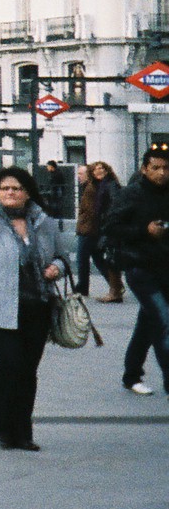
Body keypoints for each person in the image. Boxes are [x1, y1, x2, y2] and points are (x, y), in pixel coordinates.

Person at [0, 166, 71, 451]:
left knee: (28, 370)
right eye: (5, 188)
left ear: (27, 193)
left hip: (38, 306)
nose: (10, 193)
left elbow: (62, 257)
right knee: (10, 363)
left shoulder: (43, 222)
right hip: (1, 308)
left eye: (16, 188)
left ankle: (22, 430)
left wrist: (55, 269)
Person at [103, 148, 169, 400]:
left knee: (148, 323)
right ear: (144, 169)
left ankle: (132, 376)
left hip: (165, 267)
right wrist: (144, 230)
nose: (162, 172)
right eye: (156, 167)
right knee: (164, 320)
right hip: (139, 267)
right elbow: (111, 226)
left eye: (166, 167)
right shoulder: (130, 194)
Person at [82, 160, 126, 302]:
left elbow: (115, 203)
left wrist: (109, 219)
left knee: (110, 257)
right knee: (103, 255)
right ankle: (116, 289)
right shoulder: (103, 184)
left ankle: (115, 292)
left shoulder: (110, 184)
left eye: (101, 168)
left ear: (106, 170)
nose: (98, 171)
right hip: (106, 225)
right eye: (95, 169)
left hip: (110, 225)